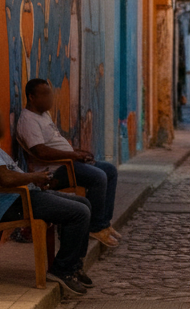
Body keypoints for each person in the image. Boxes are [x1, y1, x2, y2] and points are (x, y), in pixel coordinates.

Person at [0, 103, 93, 296]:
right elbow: (5, 178)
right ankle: (62, 270)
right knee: (80, 213)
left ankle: (72, 265)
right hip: (14, 204)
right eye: (0, 120)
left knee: (84, 203)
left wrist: (35, 182)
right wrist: (34, 177)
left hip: (23, 196)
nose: (4, 124)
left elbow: (8, 175)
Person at [17, 79, 121, 248]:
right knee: (98, 177)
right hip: (55, 170)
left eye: (50, 93)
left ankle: (103, 223)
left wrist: (77, 152)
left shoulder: (44, 115)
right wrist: (72, 155)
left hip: (67, 163)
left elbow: (55, 141)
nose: (50, 98)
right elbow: (40, 152)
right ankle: (95, 227)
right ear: (31, 97)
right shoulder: (28, 120)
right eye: (45, 94)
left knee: (109, 170)